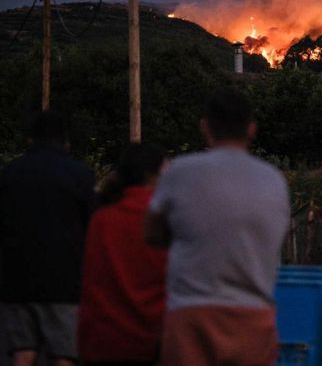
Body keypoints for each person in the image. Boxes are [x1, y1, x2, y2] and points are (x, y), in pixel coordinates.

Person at [145, 88, 290, 366]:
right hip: (253, 317)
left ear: (205, 126)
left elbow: (151, 231)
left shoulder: (180, 171)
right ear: (251, 129)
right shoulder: (273, 180)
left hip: (191, 315)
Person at [0, 111, 95, 366]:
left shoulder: (10, 173)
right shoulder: (80, 174)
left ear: (30, 139)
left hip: (16, 278)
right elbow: (91, 225)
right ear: (66, 141)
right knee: (63, 354)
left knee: (22, 351)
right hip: (63, 279)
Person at [78, 143, 169, 366]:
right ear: (154, 174)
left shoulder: (102, 218)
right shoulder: (165, 219)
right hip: (151, 340)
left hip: (103, 341)